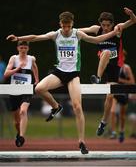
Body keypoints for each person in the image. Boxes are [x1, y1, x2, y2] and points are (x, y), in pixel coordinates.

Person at [6, 11, 120, 154]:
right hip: (59, 73)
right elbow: (36, 37)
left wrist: (113, 33)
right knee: (39, 88)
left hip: (73, 75)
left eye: (69, 26)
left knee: (78, 107)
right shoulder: (56, 34)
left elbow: (97, 40)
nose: (66, 29)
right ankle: (56, 106)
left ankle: (81, 141)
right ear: (60, 24)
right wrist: (18, 38)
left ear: (72, 24)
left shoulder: (77, 34)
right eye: (64, 26)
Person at [79, 7, 136, 136]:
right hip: (103, 64)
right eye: (103, 25)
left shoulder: (118, 29)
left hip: (114, 67)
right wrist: (67, 30)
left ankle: (103, 123)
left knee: (109, 96)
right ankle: (98, 78)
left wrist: (131, 14)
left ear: (112, 24)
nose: (105, 28)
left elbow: (133, 21)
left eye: (107, 25)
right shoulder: (96, 29)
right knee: (106, 52)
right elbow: (80, 31)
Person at [4, 41, 39, 147]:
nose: (23, 50)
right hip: (14, 90)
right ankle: (19, 133)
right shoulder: (13, 58)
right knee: (16, 122)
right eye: (21, 48)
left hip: (26, 89)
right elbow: (6, 74)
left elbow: (34, 67)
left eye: (25, 48)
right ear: (18, 48)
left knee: (23, 111)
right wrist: (17, 69)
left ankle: (22, 136)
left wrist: (37, 79)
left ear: (28, 48)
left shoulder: (31, 59)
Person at [110, 49, 135, 142]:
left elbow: (132, 82)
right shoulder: (113, 67)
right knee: (112, 111)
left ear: (123, 57)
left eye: (121, 56)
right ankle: (113, 132)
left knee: (122, 115)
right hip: (115, 92)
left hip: (124, 93)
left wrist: (121, 80)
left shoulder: (126, 68)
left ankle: (122, 131)